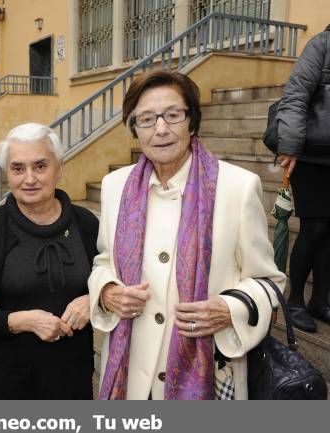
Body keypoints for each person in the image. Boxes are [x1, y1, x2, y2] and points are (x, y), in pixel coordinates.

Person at [89, 71, 286, 400]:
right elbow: (104, 260)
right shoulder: (115, 187)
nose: (161, 129)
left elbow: (269, 281)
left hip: (208, 369)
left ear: (192, 121)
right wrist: (107, 291)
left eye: (173, 115)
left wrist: (229, 309)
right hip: (131, 374)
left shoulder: (236, 186)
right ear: (134, 128)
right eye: (147, 119)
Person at [0, 123, 98, 399]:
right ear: (7, 174)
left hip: (72, 379)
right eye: (18, 168)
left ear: (59, 168)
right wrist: (23, 321)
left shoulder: (86, 224)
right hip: (6, 382)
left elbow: (111, 283)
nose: (29, 178)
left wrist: (94, 298)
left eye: (40, 166)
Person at [277, 24, 330, 332]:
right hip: (310, 154)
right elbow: (296, 95)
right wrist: (291, 146)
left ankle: (320, 300)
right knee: (315, 226)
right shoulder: (321, 44)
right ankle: (295, 299)